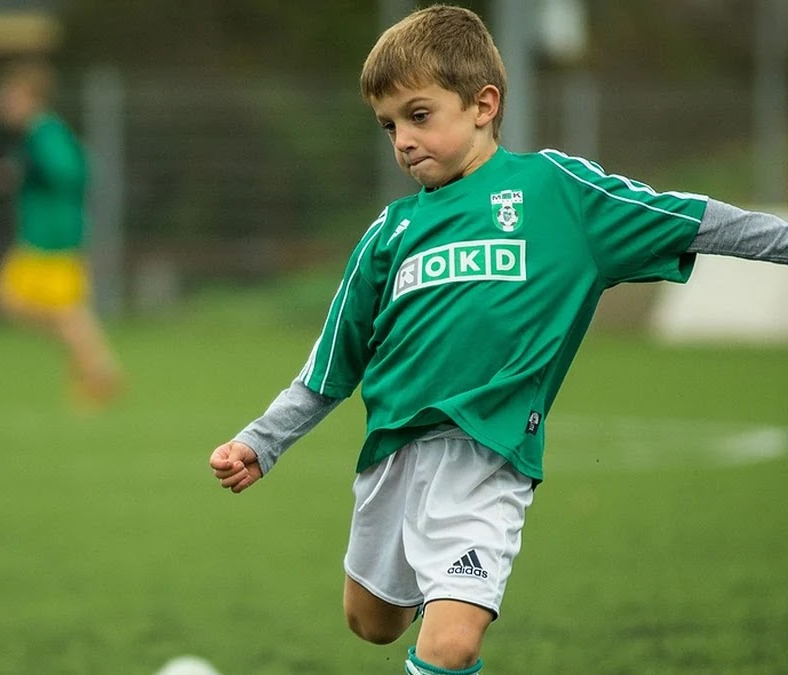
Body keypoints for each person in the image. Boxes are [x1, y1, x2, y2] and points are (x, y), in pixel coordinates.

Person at [207, 5, 788, 674]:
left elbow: (692, 218)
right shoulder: (389, 232)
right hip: (392, 456)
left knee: (450, 645)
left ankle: (453, 600)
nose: (401, 140)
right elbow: (331, 364)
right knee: (370, 621)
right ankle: (435, 587)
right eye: (389, 125)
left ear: (484, 104)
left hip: (488, 456)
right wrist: (262, 440)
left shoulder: (555, 192)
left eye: (419, 115)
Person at [0, 60, 122, 407]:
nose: (2, 102)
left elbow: (72, 170)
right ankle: (96, 367)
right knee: (26, 306)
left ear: (29, 97)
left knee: (56, 311)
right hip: (41, 236)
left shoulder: (44, 132)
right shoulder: (36, 135)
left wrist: (28, 170)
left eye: (10, 95)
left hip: (53, 237)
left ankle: (98, 371)